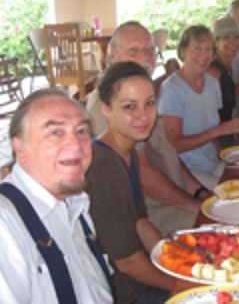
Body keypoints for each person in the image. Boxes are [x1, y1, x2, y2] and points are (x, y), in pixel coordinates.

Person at [0, 88, 113, 304]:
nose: (76, 144)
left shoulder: (75, 203)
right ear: (20, 148)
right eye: (55, 132)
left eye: (82, 130)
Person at [87, 21, 211, 235]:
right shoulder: (108, 103)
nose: (145, 57)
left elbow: (169, 152)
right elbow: (142, 174)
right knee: (230, 228)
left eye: (149, 50)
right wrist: (196, 207)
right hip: (153, 214)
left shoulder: (145, 94)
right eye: (134, 50)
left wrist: (200, 192)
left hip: (176, 197)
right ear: (112, 55)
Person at [86, 62, 172, 304]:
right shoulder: (103, 166)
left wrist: (173, 259)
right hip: (125, 293)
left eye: (150, 103)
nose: (143, 116)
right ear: (105, 109)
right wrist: (180, 284)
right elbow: (126, 261)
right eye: (129, 106)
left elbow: (140, 222)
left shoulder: (127, 149)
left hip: (141, 278)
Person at [159, 25, 239, 188]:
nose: (204, 56)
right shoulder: (172, 89)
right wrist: (218, 131)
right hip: (187, 173)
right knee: (235, 194)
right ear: (182, 51)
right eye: (197, 48)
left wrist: (224, 154)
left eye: (209, 49)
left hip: (212, 164)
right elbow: (174, 145)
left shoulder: (212, 83)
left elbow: (212, 131)